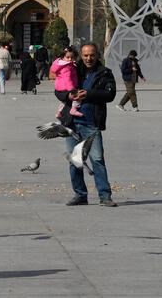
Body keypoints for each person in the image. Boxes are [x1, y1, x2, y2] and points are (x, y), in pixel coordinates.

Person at [57, 43, 117, 207]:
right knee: (74, 160)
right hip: (72, 124)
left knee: (97, 159)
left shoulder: (104, 73)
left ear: (97, 55)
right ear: (81, 56)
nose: (88, 58)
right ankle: (80, 194)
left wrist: (88, 94)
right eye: (85, 55)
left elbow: (110, 94)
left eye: (91, 55)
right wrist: (68, 95)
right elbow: (58, 88)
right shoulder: (73, 69)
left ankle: (105, 196)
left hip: (91, 123)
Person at [51, 46, 83, 118]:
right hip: (67, 87)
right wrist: (71, 89)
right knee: (77, 96)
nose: (70, 59)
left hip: (61, 87)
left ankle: (59, 112)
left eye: (72, 57)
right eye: (68, 57)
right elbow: (67, 78)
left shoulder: (62, 64)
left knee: (64, 101)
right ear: (62, 57)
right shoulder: (67, 67)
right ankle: (74, 109)